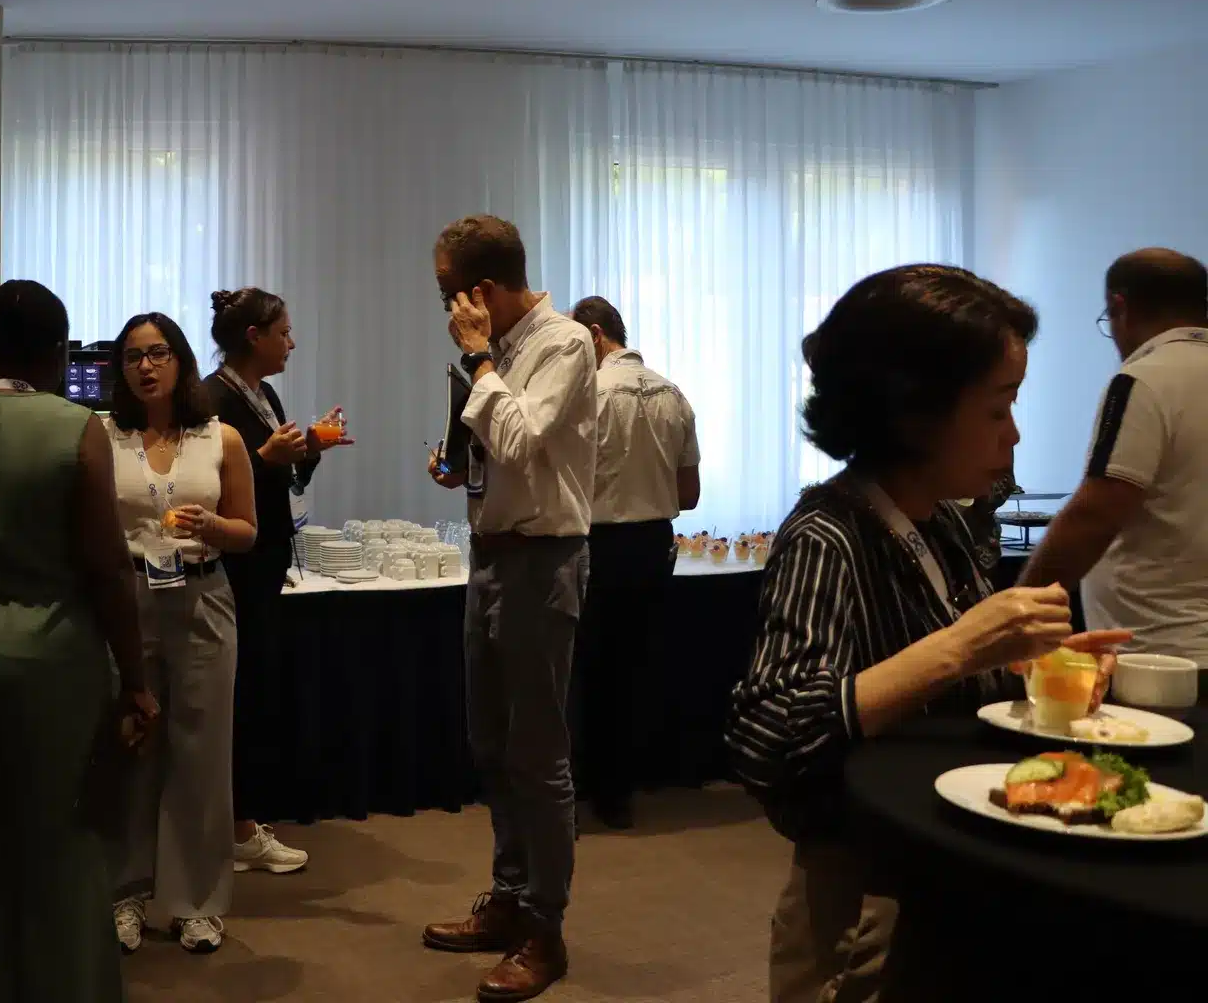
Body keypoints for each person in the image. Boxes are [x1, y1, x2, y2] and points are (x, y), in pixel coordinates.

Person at [723, 264, 1128, 1003]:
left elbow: (945, 677)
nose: (1014, 434)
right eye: (998, 407)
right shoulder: (829, 535)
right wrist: (966, 644)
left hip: (937, 874)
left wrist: (1036, 664)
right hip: (864, 898)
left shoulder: (942, 522)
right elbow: (771, 735)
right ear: (913, 413)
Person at [0, 279, 158, 1003]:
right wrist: (136, 680)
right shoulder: (75, 428)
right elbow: (107, 568)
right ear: (58, 351)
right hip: (50, 649)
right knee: (63, 845)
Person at [422, 215, 597, 1003]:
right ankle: (508, 897)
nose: (447, 309)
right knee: (491, 743)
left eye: (449, 294)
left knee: (537, 753)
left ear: (483, 291)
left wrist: (478, 359)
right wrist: (459, 466)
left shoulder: (564, 343)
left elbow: (524, 439)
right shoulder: (500, 352)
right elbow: (503, 453)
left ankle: (544, 930)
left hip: (543, 562)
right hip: (491, 554)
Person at [107, 312, 258, 955]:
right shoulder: (103, 436)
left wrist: (212, 527)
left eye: (158, 353)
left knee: (201, 754)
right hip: (128, 601)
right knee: (130, 746)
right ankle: (125, 894)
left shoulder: (221, 437)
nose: (146, 366)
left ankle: (197, 903)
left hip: (202, 595)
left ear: (181, 360)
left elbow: (248, 531)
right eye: (133, 356)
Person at [203, 288, 351, 876]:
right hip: (234, 569)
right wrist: (265, 458)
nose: (292, 342)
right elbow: (206, 487)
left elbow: (279, 474)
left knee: (254, 692)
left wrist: (309, 446)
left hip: (263, 565)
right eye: (283, 332)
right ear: (254, 337)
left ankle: (239, 820)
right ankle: (235, 830)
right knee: (237, 696)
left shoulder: (263, 393)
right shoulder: (213, 399)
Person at [1020, 249, 1208, 663]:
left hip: (1156, 650)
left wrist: (1018, 614)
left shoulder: (1144, 379)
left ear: (1119, 306)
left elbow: (1096, 514)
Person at [567, 295, 699, 829]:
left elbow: (567, 483)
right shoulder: (674, 394)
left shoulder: (589, 395)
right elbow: (689, 495)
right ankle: (620, 791)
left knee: (586, 668)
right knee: (634, 666)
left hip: (596, 545)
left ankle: (582, 786)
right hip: (654, 547)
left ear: (596, 336)